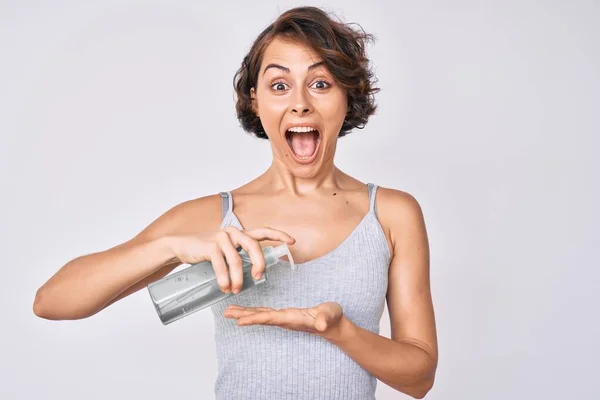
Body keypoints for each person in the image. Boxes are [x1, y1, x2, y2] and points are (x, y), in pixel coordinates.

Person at [33, 6, 438, 400]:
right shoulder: (212, 217)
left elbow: (419, 378)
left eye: (320, 83)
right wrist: (172, 247)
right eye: (279, 86)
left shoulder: (390, 214)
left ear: (347, 97)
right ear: (255, 100)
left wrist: (339, 331)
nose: (301, 103)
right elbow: (52, 301)